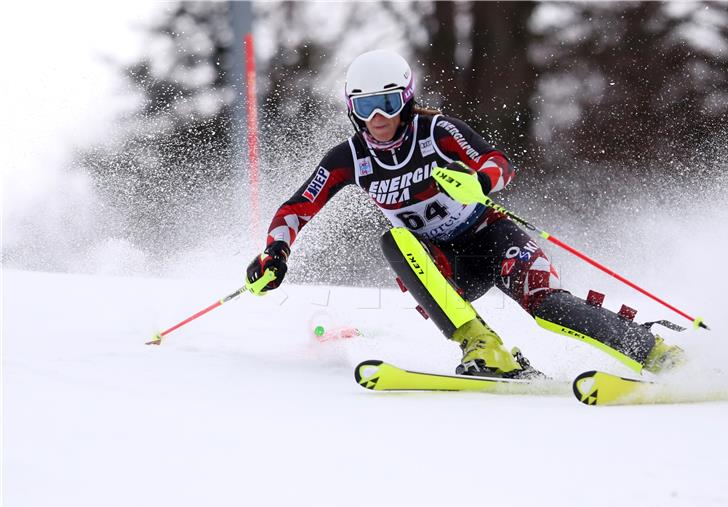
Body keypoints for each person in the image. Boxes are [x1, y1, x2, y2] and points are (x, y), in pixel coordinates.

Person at [245, 49, 682, 378]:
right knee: (393, 240)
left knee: (548, 306)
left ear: (407, 100)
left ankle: (656, 352)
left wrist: (480, 183)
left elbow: (499, 162)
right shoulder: (350, 157)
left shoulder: (436, 130)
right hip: (440, 266)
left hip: (491, 237)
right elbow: (297, 206)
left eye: (389, 103)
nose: (378, 117)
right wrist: (275, 254)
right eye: (365, 107)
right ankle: (482, 347)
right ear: (351, 109)